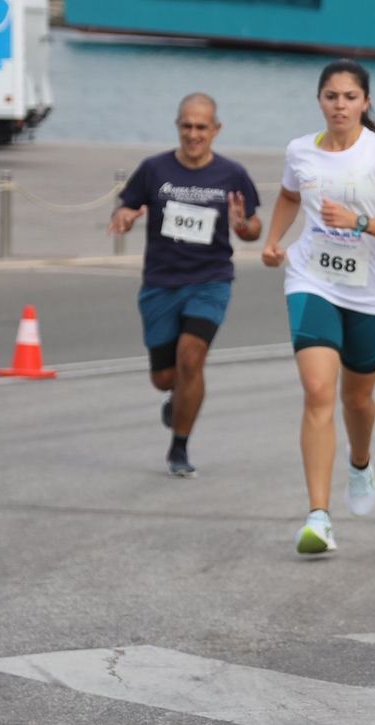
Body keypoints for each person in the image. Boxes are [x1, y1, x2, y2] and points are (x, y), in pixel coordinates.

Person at [261, 59, 375, 556]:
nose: (340, 105)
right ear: (320, 100)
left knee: (357, 401)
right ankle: (318, 516)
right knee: (317, 392)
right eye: (331, 96)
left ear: (365, 102)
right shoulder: (300, 152)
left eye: (349, 97)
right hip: (312, 279)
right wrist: (273, 241)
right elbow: (290, 195)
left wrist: (359, 223)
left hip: (370, 292)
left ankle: (360, 461)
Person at [109, 93, 262, 478]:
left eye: (201, 127)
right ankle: (177, 398)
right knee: (164, 377)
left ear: (216, 130)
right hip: (160, 283)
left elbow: (253, 227)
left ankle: (179, 447)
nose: (194, 134)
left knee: (191, 358)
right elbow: (126, 204)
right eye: (187, 126)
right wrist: (125, 215)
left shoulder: (232, 174)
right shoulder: (154, 169)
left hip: (210, 280)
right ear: (178, 126)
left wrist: (245, 225)